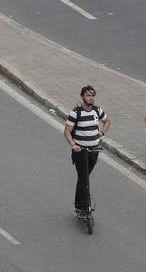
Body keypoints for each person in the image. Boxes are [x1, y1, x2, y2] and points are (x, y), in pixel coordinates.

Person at [64, 86, 110, 218]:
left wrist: (102, 132)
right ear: (82, 97)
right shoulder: (75, 113)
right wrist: (73, 145)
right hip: (80, 151)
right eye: (88, 95)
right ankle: (85, 208)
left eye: (93, 96)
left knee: (83, 177)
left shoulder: (98, 111)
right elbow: (67, 131)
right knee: (84, 179)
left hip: (94, 150)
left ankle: (78, 206)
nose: (91, 98)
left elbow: (107, 121)